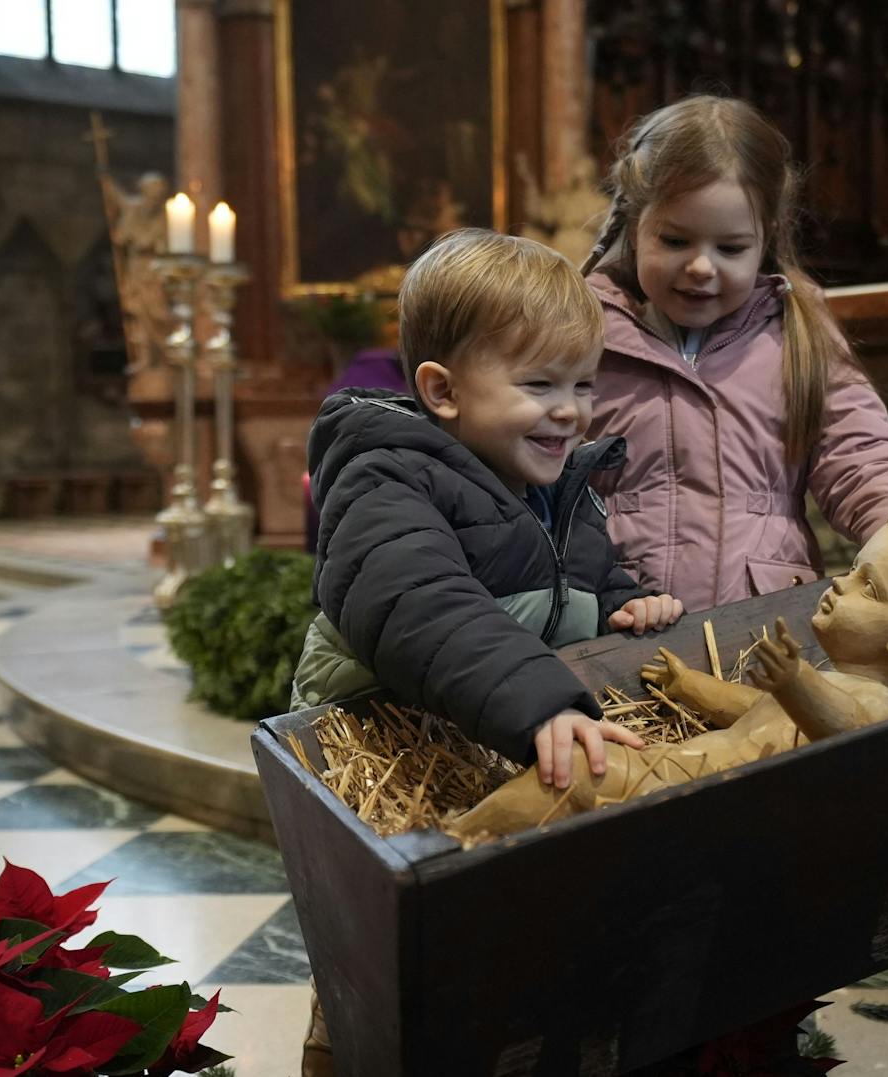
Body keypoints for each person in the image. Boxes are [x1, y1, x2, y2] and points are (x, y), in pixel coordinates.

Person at [292, 228, 685, 1075]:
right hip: (387, 767)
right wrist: (537, 697)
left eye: (583, 383)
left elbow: (571, 579)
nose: (571, 409)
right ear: (440, 389)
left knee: (511, 986)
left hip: (489, 753)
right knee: (383, 999)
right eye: (539, 383)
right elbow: (418, 603)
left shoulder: (549, 485)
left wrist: (621, 604)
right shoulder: (386, 476)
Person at [449, 501, 888, 841]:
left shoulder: (879, 705)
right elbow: (755, 713)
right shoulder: (822, 676)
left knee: (572, 773)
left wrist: (797, 682)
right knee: (571, 773)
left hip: (698, 799)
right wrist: (691, 686)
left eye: (869, 588)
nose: (840, 583)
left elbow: (849, 735)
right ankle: (471, 835)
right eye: (855, 569)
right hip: (680, 771)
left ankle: (462, 842)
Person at [580, 95, 888, 611]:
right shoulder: (582, 333)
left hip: (767, 628)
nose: (702, 267)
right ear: (636, 227)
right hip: (618, 622)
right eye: (676, 240)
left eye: (730, 249)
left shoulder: (797, 332)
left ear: (764, 239)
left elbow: (861, 456)